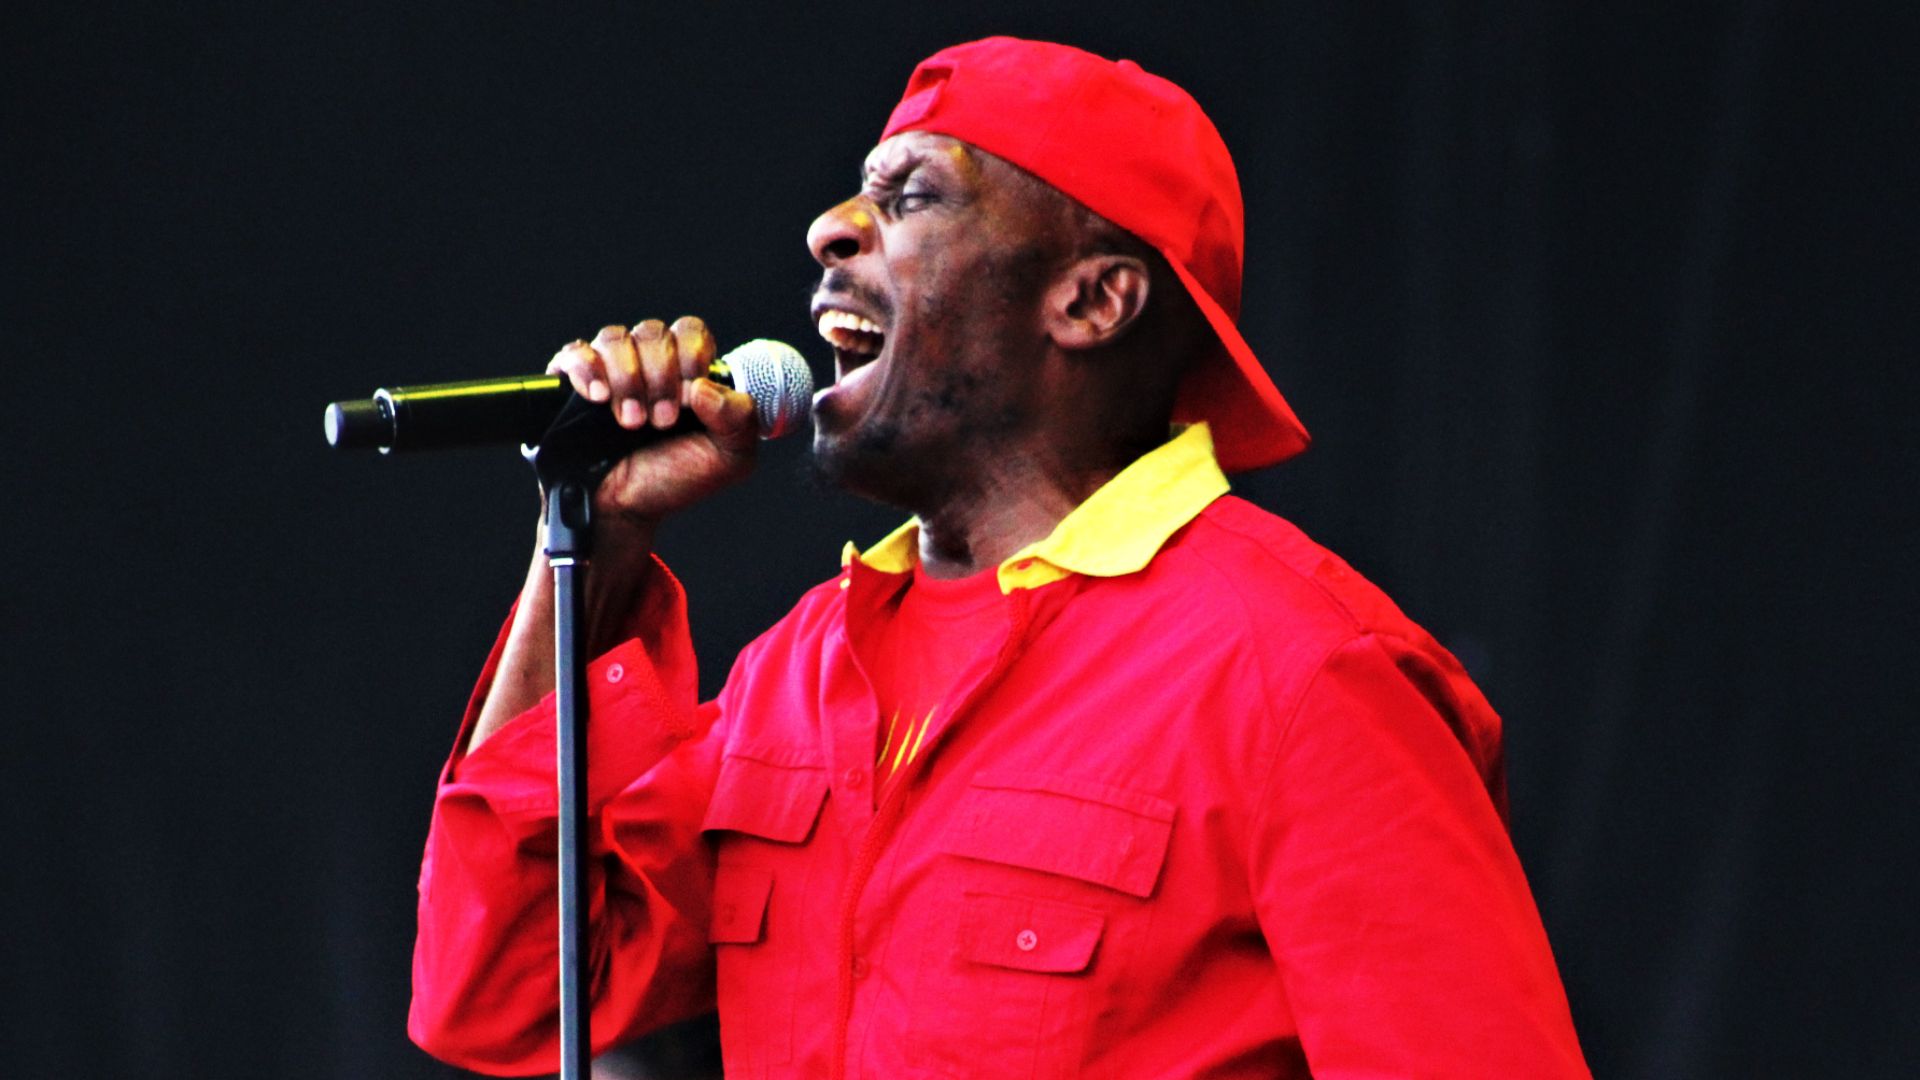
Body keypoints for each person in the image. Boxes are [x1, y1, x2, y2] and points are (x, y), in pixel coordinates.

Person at [409, 37, 1590, 1078]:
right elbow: (501, 992)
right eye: (858, 193)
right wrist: (598, 542)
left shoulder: (1305, 674)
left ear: (1094, 301)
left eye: (913, 196)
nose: (830, 228)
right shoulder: (800, 675)